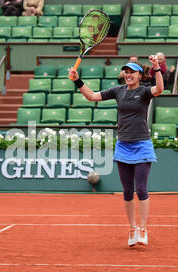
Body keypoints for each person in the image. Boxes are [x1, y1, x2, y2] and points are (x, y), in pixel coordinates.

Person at [69, 55, 163, 248]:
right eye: (126, 72)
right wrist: (78, 80)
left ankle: (143, 230)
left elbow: (159, 89)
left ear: (139, 75)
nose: (128, 75)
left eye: (132, 72)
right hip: (123, 146)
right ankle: (132, 228)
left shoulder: (145, 92)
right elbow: (92, 96)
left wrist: (157, 68)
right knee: (127, 191)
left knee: (142, 188)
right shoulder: (117, 91)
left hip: (142, 145)